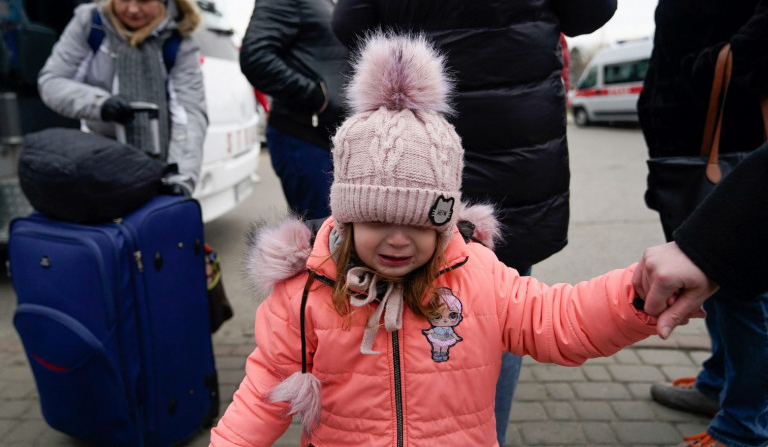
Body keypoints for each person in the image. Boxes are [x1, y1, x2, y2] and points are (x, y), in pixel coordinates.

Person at [209, 34, 658, 447]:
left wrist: (639, 293)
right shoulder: (307, 291)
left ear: (444, 222)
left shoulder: (477, 276)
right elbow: (263, 391)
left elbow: (560, 318)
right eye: (378, 220)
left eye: (421, 224)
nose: (399, 240)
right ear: (346, 218)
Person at [330, 0, 616, 443]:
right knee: (497, 303)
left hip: (413, 142)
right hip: (511, 135)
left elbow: (350, 21)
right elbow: (591, 5)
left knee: (400, 279)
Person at [636, 0, 768, 445]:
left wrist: (709, 68)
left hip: (727, 141)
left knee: (740, 289)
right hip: (690, 143)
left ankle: (743, 425)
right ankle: (719, 382)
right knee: (709, 274)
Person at [38, 0, 207, 197]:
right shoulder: (89, 24)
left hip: (159, 168)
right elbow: (51, 81)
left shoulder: (178, 41)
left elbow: (189, 114)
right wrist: (100, 104)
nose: (132, 8)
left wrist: (181, 177)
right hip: (98, 166)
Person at [238, 0, 349, 221]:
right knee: (322, 239)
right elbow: (256, 56)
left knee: (337, 237)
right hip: (300, 136)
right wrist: (316, 96)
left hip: (327, 138)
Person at [634, 141, 768, 338]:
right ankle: (718, 367)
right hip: (702, 183)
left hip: (730, 182)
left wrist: (706, 245)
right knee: (709, 294)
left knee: (741, 307)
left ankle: (746, 369)